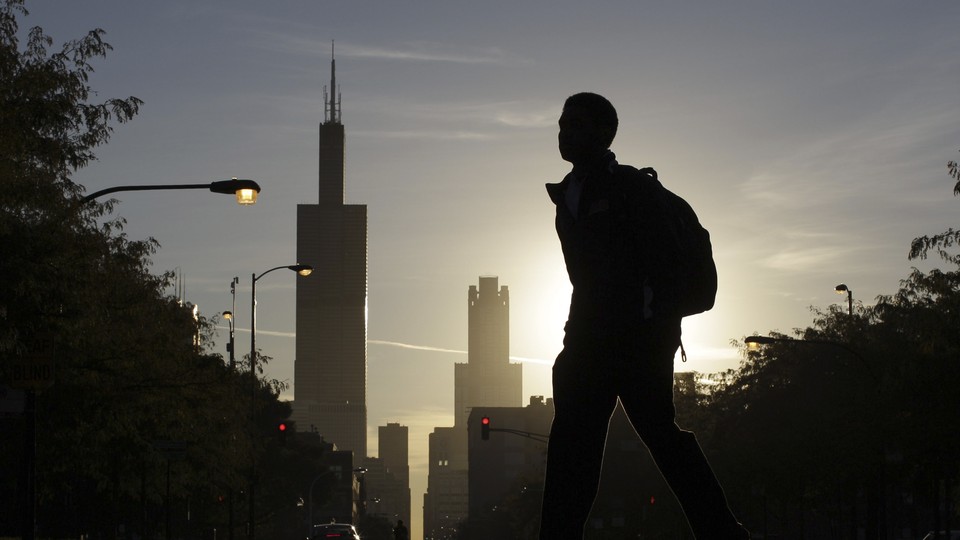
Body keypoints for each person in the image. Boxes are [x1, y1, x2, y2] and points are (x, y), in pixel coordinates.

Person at [538, 92, 749, 540]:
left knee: (660, 436)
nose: (564, 133)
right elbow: (586, 281)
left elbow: (661, 263)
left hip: (636, 340)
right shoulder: (566, 199)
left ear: (603, 133)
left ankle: (723, 531)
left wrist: (650, 324)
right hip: (586, 341)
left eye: (575, 124)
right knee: (573, 444)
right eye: (561, 124)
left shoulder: (632, 190)